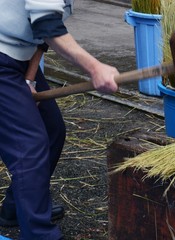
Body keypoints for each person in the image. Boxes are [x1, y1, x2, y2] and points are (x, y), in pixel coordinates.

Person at [0, 0, 119, 239]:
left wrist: (30, 80)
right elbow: (47, 23)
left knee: (51, 129)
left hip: (18, 59)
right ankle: (40, 234)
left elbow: (41, 37)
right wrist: (94, 67)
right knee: (29, 145)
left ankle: (16, 209)